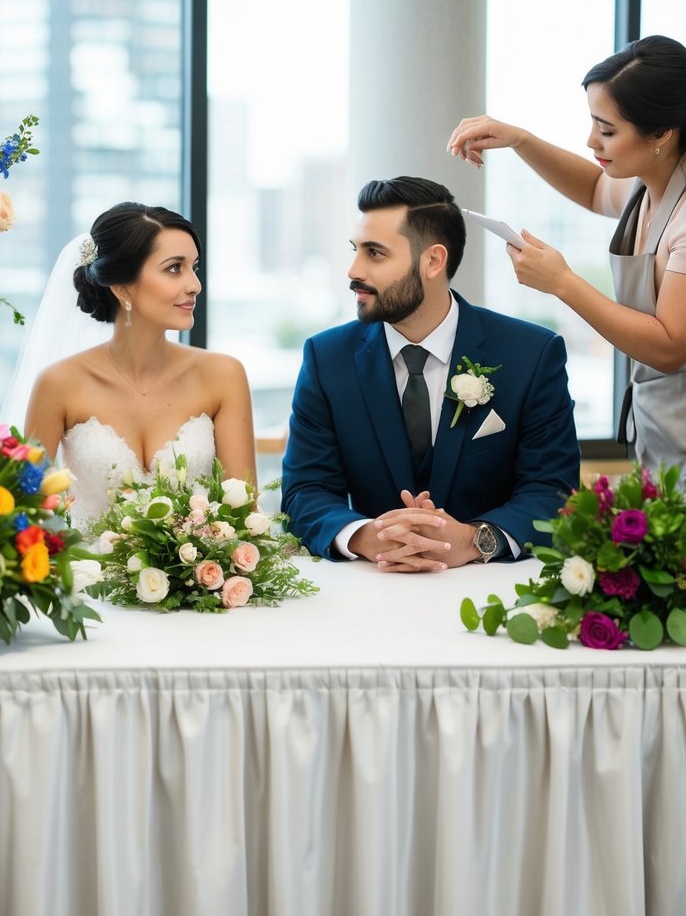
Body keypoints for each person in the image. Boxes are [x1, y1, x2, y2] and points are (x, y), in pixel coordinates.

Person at [280, 176, 579, 571]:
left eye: (375, 254)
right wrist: (368, 535)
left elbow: (551, 491)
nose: (353, 270)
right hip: (369, 591)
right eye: (356, 251)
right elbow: (305, 491)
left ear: (433, 260)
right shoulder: (326, 357)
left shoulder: (532, 354)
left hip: (493, 591)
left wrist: (475, 540)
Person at [447, 35, 686, 475]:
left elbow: (671, 347)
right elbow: (595, 189)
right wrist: (520, 140)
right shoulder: (647, 183)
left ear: (661, 133)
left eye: (608, 130)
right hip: (658, 431)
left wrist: (563, 283)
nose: (591, 140)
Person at [13, 201, 256, 530]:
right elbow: (27, 517)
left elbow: (244, 516)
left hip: (199, 578)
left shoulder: (223, 376)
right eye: (174, 268)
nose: (194, 285)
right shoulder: (59, 384)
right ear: (123, 287)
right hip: (84, 578)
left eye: (193, 268)